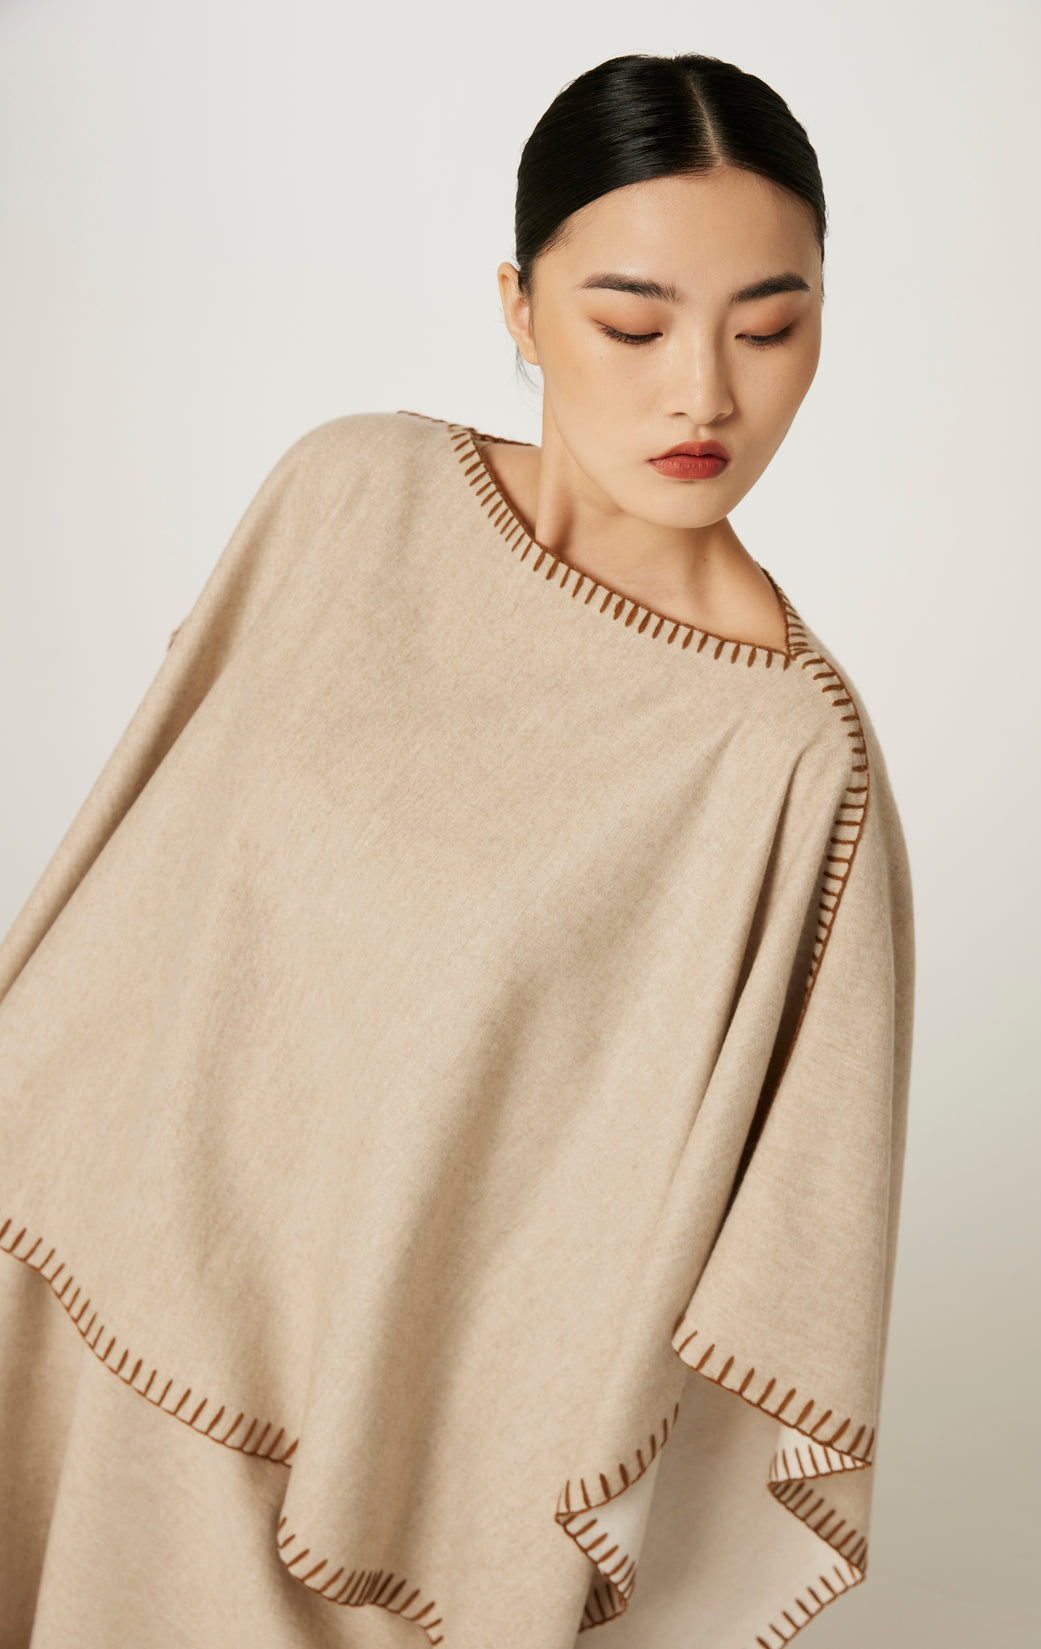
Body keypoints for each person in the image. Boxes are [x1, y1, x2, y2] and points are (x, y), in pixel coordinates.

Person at [0, 51, 914, 1649]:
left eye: (770, 327)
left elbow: (751, 1233)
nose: (704, 394)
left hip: (361, 1462)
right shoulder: (347, 494)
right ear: (520, 307)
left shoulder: (786, 757)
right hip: (66, 1290)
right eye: (632, 323)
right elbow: (141, 874)